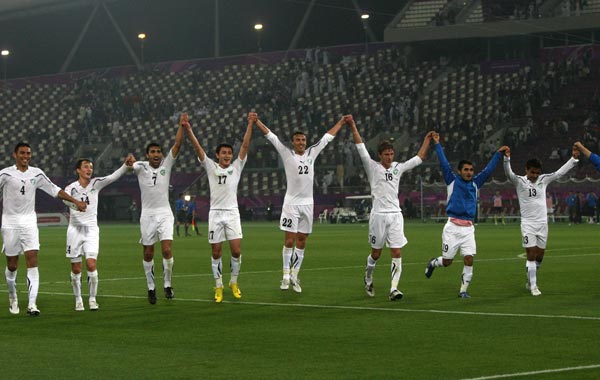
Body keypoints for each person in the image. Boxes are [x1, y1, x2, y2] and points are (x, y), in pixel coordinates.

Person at [255, 114, 346, 292]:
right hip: (291, 204)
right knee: (289, 240)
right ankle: (285, 276)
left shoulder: (312, 152)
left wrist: (341, 122)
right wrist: (257, 121)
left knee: (302, 241)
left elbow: (327, 138)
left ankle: (295, 275)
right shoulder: (286, 153)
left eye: (303, 140)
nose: (301, 142)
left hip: (308, 204)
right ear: (292, 142)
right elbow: (271, 136)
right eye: (298, 140)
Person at [348, 115, 433, 300]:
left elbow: (419, 158)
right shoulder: (372, 167)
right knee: (376, 254)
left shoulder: (398, 168)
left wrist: (426, 140)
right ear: (380, 155)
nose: (389, 156)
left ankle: (394, 289)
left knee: (396, 251)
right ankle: (368, 276)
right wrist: (353, 125)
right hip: (378, 216)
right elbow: (360, 146)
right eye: (386, 154)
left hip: (395, 215)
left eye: (391, 153)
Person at [1, 142, 88, 316]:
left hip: (29, 223)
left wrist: (75, 202)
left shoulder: (37, 173)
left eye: (28, 153)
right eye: (22, 153)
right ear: (15, 155)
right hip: (10, 223)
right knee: (12, 265)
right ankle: (12, 296)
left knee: (32, 260)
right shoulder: (5, 174)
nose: (26, 156)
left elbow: (56, 191)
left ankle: (32, 304)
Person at [424, 133, 509, 298]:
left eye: (471, 170)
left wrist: (498, 154)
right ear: (459, 171)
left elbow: (489, 169)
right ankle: (434, 263)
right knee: (447, 261)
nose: (469, 172)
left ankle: (463, 291)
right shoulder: (452, 180)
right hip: (452, 228)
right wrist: (437, 144)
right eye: (466, 170)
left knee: (469, 259)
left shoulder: (476, 183)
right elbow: (443, 162)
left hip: (468, 228)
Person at [182, 112, 253, 302]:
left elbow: (245, 145)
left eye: (229, 153)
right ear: (217, 155)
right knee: (216, 252)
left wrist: (250, 124)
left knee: (236, 251)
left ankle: (234, 282)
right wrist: (188, 129)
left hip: (232, 214)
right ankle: (219, 285)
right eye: (224, 153)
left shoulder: (236, 167)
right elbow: (198, 149)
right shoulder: (211, 167)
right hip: (215, 214)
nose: (227, 156)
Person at [503, 147, 579, 296]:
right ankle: (533, 286)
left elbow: (558, 173)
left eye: (537, 172)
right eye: (532, 172)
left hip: (543, 224)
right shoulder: (519, 181)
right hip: (528, 224)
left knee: (540, 256)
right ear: (526, 170)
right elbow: (508, 173)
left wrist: (573, 159)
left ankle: (530, 278)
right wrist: (507, 159)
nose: (535, 175)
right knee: (531, 254)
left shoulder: (543, 180)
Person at [65, 154, 135, 311]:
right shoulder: (71, 188)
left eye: (91, 166)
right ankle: (78, 300)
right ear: (78, 170)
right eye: (86, 166)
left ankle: (92, 299)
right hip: (74, 230)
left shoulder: (96, 183)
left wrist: (125, 165)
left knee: (91, 264)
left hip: (91, 230)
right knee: (76, 269)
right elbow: (64, 199)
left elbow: (112, 177)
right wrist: (77, 205)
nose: (89, 169)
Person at [132, 115, 184, 304]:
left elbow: (177, 145)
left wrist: (182, 126)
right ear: (147, 154)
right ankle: (151, 287)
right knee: (147, 253)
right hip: (147, 215)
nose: (156, 154)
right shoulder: (140, 167)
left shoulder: (166, 166)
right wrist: (129, 162)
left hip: (164, 214)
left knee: (167, 249)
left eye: (159, 151)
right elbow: (130, 165)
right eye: (153, 151)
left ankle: (168, 284)